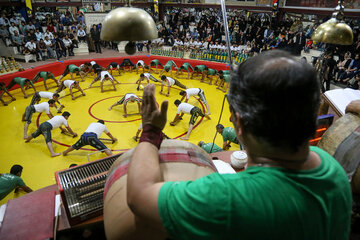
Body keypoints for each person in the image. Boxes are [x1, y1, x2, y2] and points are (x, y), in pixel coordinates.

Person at [126, 51, 352, 240]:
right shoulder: (333, 170)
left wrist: (150, 130)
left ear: (240, 123)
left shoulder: (229, 198)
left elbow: (139, 196)